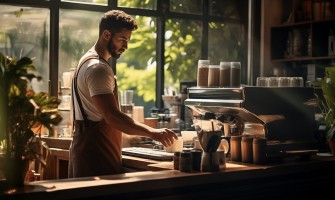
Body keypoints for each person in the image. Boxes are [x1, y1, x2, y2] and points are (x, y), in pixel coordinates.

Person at [68, 10, 178, 178]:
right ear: (106, 34)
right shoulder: (98, 68)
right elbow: (112, 117)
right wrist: (153, 133)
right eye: (122, 39)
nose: (126, 46)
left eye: (128, 40)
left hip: (85, 151)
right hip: (96, 155)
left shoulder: (86, 61)